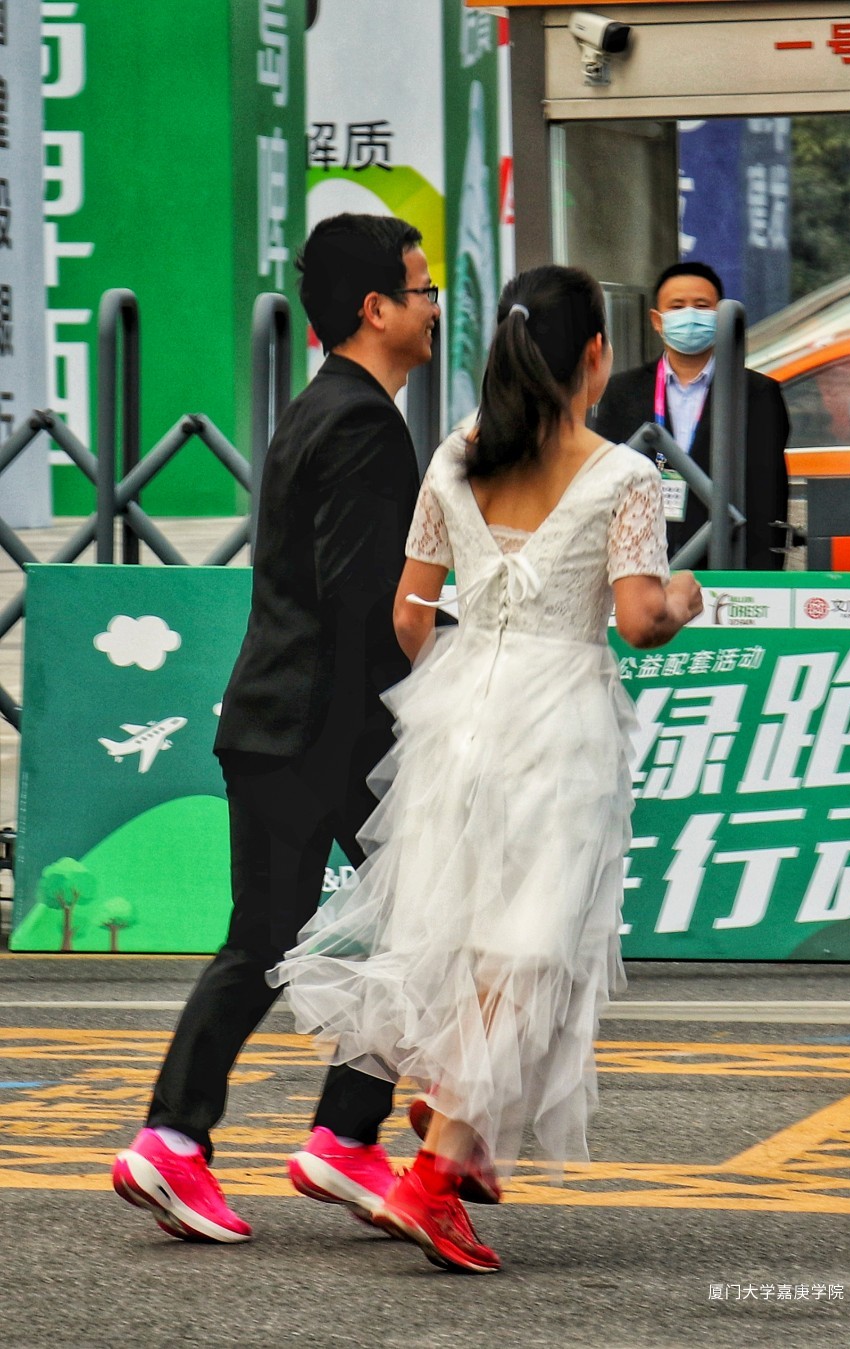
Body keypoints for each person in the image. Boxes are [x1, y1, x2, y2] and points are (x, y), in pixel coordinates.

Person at [268, 264, 703, 1273]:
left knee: (467, 928)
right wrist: (687, 596)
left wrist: (465, 682)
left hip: (459, 714)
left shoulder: (454, 459)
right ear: (593, 355)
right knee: (532, 945)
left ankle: (460, 1120)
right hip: (562, 719)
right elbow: (640, 619)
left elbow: (408, 611)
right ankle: (436, 1170)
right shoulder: (623, 475)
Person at [112, 213, 444, 1242]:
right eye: (422, 288)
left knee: (274, 934)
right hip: (329, 727)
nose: (434, 306)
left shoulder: (320, 406)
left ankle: (205, 1136)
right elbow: (363, 600)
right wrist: (447, 664)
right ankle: (307, 1135)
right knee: (415, 924)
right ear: (375, 308)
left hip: (281, 718)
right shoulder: (366, 425)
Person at [592, 261, 790, 570]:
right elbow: (603, 489)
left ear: (720, 317)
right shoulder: (620, 392)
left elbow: (768, 497)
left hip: (726, 567)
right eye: (677, 306)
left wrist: (759, 581)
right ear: (657, 320)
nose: (690, 315)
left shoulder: (758, 393)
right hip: (638, 566)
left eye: (701, 306)